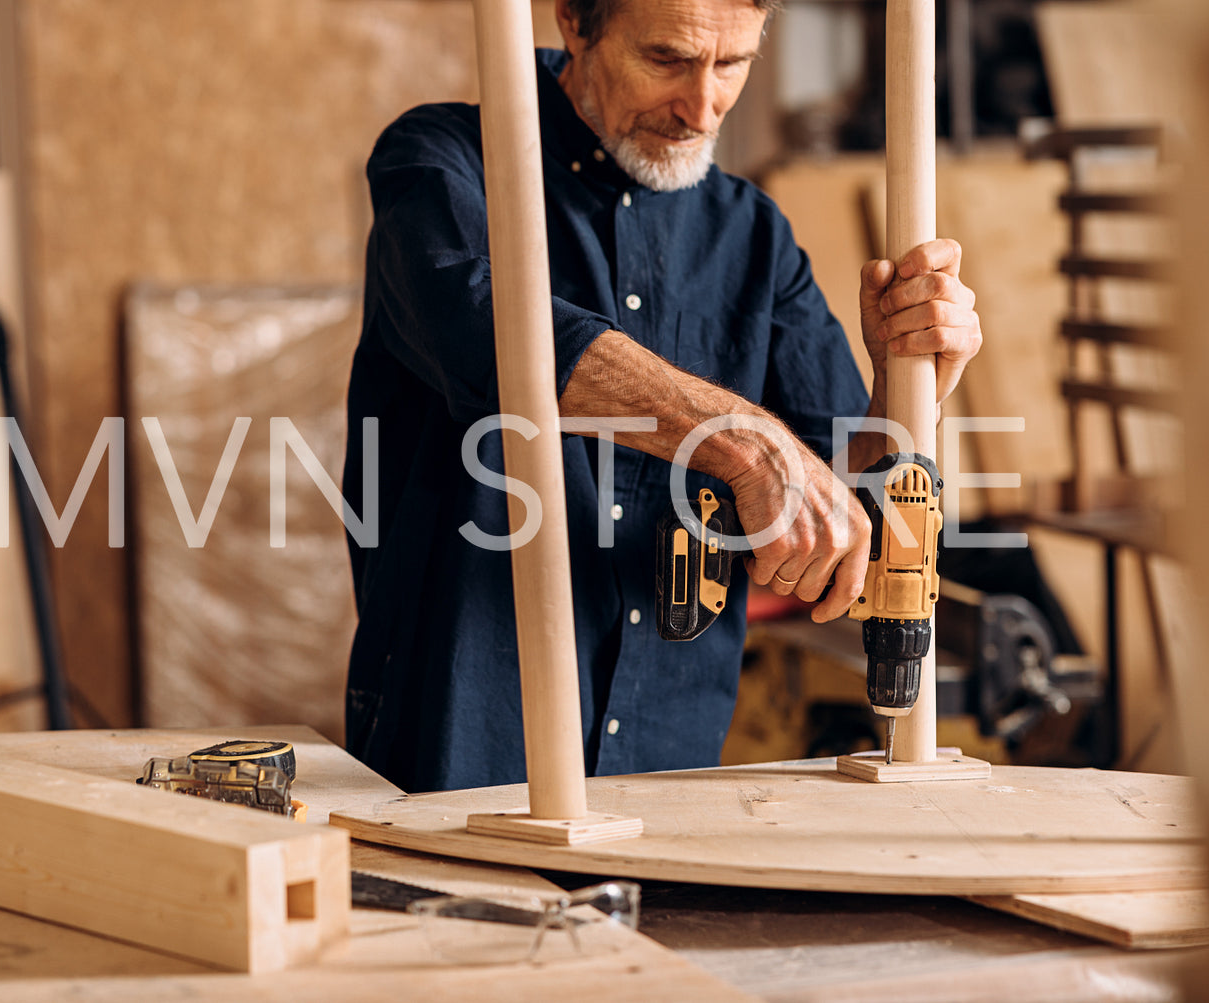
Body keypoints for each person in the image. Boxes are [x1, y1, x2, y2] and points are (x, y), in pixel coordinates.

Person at [341, 0, 982, 794]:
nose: (702, 106)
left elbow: (840, 505)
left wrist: (907, 380)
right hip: (459, 735)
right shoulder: (442, 161)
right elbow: (489, 336)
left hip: (668, 757)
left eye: (732, 64)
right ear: (574, 22)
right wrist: (739, 439)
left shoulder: (753, 237)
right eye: (668, 59)